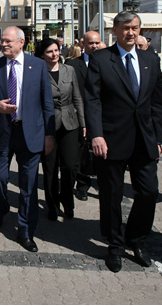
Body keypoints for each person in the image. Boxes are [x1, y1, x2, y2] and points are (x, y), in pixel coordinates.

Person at [84, 11, 162, 273]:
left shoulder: (150, 58)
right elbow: (92, 100)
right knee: (111, 196)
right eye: (127, 28)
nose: (132, 33)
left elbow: (156, 102)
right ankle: (115, 246)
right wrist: (96, 134)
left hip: (144, 139)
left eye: (136, 28)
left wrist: (158, 137)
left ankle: (136, 239)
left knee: (149, 191)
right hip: (111, 138)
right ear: (115, 31)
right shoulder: (100, 59)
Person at [0, 26, 55, 253]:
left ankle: (25, 230)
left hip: (30, 133)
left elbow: (47, 103)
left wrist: (49, 135)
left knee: (28, 185)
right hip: (2, 131)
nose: (3, 44)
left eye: (8, 41)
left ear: (22, 43)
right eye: (2, 41)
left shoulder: (38, 66)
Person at [35, 38, 85, 221]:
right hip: (48, 125)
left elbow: (77, 97)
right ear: (42, 55)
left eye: (56, 50)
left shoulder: (69, 70)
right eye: (50, 51)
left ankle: (67, 200)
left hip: (70, 122)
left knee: (71, 166)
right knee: (50, 168)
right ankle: (52, 205)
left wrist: (83, 123)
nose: (55, 54)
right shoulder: (38, 73)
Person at [65, 30, 101, 200]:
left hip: (102, 116)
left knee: (102, 152)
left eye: (96, 43)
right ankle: (82, 185)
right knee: (82, 152)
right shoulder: (73, 65)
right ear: (83, 45)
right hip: (81, 115)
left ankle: (103, 182)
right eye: (90, 43)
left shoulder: (109, 63)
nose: (94, 46)